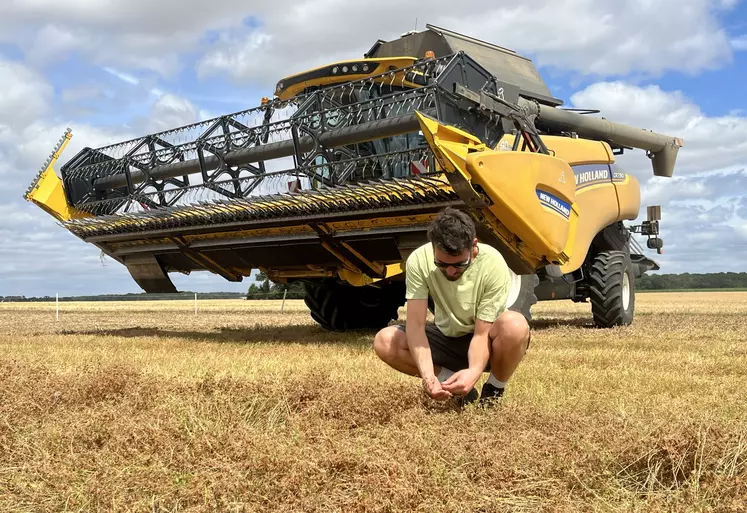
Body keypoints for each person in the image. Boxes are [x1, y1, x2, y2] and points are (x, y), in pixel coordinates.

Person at [373, 207, 531, 406]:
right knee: (384, 341)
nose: (449, 270)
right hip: (447, 338)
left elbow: (481, 334)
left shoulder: (493, 263)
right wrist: (429, 376)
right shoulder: (418, 260)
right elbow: (415, 326)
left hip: (488, 342)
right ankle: (453, 386)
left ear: (474, 246)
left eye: (459, 265)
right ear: (433, 248)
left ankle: (493, 391)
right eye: (441, 264)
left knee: (515, 326)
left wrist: (473, 372)